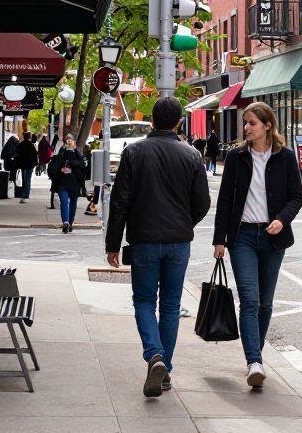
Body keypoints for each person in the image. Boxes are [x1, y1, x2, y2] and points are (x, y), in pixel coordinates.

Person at [106, 97, 211, 398]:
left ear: (152, 120)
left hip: (144, 240)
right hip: (179, 241)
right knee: (170, 305)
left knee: (143, 301)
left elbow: (120, 200)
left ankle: (154, 356)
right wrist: (183, 222)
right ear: (179, 122)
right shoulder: (192, 155)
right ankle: (165, 368)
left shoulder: (134, 152)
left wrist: (113, 243)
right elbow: (202, 203)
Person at [213, 102, 302, 389]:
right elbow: (225, 200)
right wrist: (219, 239)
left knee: (265, 303)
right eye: (245, 123)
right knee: (250, 300)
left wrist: (282, 219)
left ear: (267, 125)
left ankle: (256, 357)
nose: (246, 128)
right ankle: (254, 360)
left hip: (273, 238)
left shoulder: (285, 158)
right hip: (242, 238)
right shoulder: (237, 157)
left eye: (251, 123)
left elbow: (295, 197)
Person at [49, 134, 87, 233]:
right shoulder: (62, 153)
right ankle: (67, 222)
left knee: (68, 203)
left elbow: (83, 165)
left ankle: (68, 222)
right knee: (66, 203)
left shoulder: (76, 154)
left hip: (72, 183)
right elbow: (54, 165)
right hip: (65, 183)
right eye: (68, 140)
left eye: (71, 140)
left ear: (74, 141)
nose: (69, 142)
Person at [14, 132, 39, 204]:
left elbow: (17, 154)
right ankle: (25, 195)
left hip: (23, 165)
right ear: (29, 137)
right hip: (29, 165)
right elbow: (35, 155)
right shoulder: (31, 145)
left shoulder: (21, 145)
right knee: (28, 179)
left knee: (24, 179)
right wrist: (36, 164)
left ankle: (24, 194)